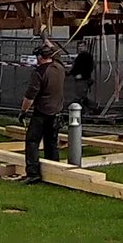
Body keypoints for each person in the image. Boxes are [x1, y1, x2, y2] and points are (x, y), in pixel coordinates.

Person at [18, 44, 65, 184]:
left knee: (32, 141)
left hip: (42, 113)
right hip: (56, 112)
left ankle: (33, 173)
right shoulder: (59, 67)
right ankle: (55, 171)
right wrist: (45, 37)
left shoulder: (39, 73)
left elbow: (30, 97)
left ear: (40, 57)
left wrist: (23, 111)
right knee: (51, 143)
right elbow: (57, 53)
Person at [66, 40, 94, 111]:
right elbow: (76, 68)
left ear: (85, 47)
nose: (80, 48)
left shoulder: (87, 56)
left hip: (83, 79)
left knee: (81, 97)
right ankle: (86, 109)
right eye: (79, 47)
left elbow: (90, 68)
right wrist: (68, 73)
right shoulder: (79, 56)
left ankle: (90, 108)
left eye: (82, 46)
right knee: (80, 96)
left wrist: (83, 75)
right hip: (78, 79)